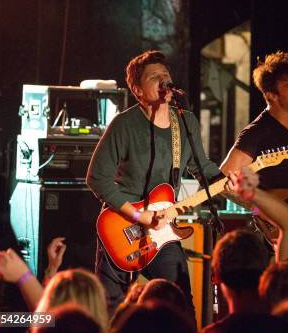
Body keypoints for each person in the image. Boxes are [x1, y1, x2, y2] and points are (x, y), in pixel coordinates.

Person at [86, 50, 221, 324]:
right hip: (122, 228)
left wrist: (231, 182)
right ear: (137, 89)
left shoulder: (185, 122)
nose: (164, 81)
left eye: (166, 76)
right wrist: (139, 216)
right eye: (154, 77)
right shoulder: (124, 124)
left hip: (162, 230)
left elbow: (202, 168)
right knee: (108, 311)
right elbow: (97, 177)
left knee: (181, 305)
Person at [220, 51, 288, 193]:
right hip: (273, 214)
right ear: (271, 95)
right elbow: (222, 183)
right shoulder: (255, 133)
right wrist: (257, 208)